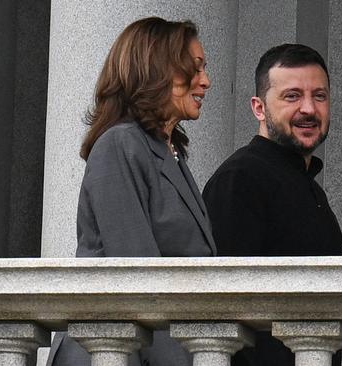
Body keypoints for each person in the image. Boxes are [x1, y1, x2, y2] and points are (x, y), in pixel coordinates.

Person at [46, 17, 215, 366]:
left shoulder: (171, 152)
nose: (206, 81)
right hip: (112, 351)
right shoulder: (120, 144)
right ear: (156, 70)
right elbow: (138, 276)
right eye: (194, 69)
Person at [202, 44, 342, 365]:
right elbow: (220, 308)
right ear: (259, 107)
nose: (308, 108)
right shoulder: (240, 179)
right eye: (292, 96)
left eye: (319, 96)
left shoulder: (311, 189)